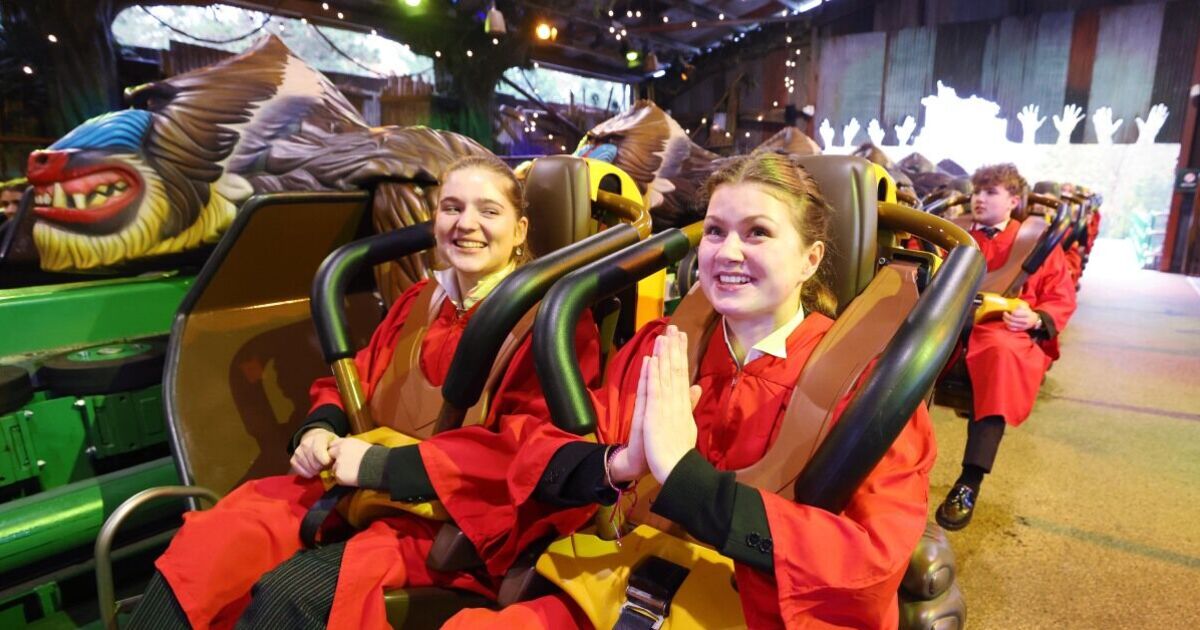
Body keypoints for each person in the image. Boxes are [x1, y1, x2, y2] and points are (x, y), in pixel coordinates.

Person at [446, 152, 936, 628]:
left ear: (810, 260)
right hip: (621, 587)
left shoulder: (866, 389)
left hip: (754, 610)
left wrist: (687, 480)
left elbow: (869, 557)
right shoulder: (662, 347)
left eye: (758, 233)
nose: (728, 252)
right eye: (716, 231)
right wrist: (620, 462)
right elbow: (542, 450)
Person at [129, 155, 600, 629]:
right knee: (214, 543)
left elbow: (533, 451)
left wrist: (384, 465)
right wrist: (320, 428)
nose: (467, 224)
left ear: (519, 231)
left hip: (458, 522)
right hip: (363, 488)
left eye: (488, 211)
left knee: (291, 595)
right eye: (452, 208)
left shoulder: (552, 325)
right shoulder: (419, 303)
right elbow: (354, 380)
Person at [936, 163, 1077, 531]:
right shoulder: (957, 230)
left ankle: (970, 480)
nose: (978, 199)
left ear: (1013, 201)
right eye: (977, 192)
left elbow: (1059, 295)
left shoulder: (1036, 239)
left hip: (1002, 327)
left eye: (990, 192)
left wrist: (1035, 318)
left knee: (1000, 358)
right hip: (949, 321)